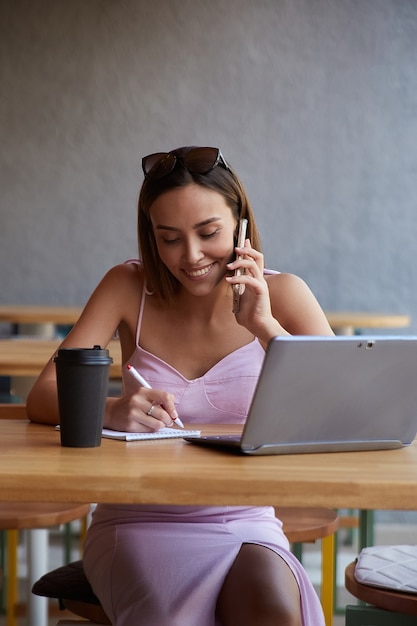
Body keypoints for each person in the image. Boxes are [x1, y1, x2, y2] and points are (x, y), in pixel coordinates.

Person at [27, 145, 334, 626]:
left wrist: (266, 327)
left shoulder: (285, 294)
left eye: (208, 233)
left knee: (276, 617)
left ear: (241, 224)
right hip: (137, 520)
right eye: (168, 238)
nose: (190, 257)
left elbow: (344, 407)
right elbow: (43, 393)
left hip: (246, 523)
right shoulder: (127, 287)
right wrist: (108, 410)